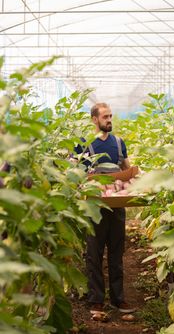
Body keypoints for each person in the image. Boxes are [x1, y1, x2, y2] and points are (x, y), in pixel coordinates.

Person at [74, 102, 135, 316]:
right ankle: (96, 300)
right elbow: (77, 175)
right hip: (94, 207)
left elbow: (127, 170)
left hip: (117, 204)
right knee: (94, 253)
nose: (109, 120)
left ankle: (119, 299)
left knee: (117, 253)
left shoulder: (118, 143)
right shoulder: (84, 144)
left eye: (110, 116)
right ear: (94, 120)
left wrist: (139, 181)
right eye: (105, 117)